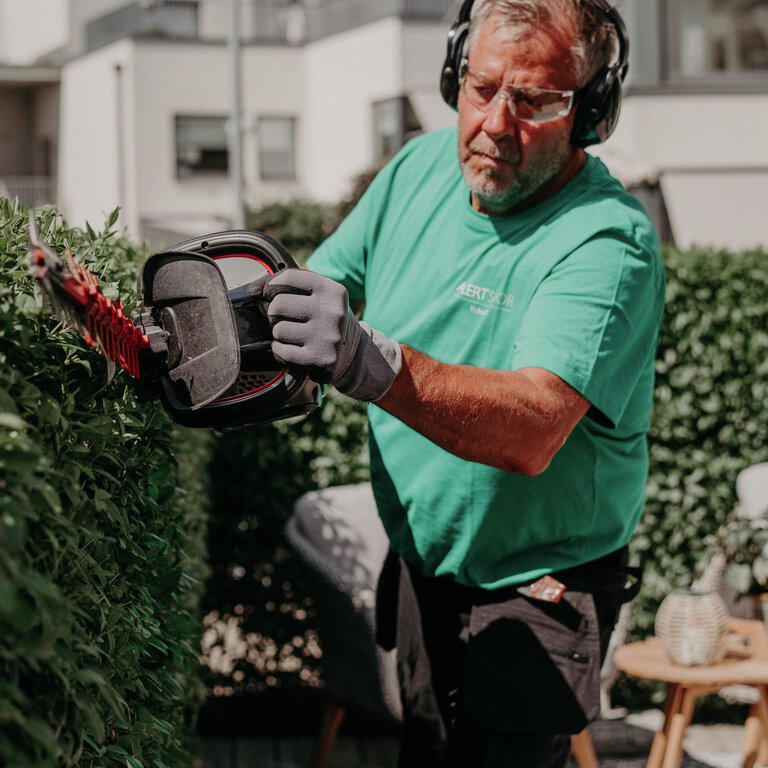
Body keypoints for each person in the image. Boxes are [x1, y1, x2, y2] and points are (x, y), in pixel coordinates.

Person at [261, 0, 666, 765]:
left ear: (592, 110)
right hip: (422, 565)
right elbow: (315, 285)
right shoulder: (417, 171)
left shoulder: (608, 242)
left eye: (537, 102)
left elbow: (533, 427)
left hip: (538, 585)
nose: (495, 126)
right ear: (455, 73)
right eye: (481, 88)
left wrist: (366, 360)